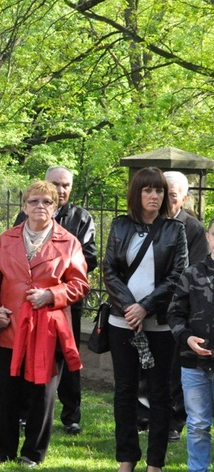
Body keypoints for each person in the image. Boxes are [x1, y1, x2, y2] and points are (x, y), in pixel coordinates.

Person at [0, 180, 89, 467]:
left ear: (55, 208)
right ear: (24, 206)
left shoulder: (68, 242)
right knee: (7, 393)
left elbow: (80, 284)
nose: (39, 206)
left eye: (46, 202)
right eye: (34, 201)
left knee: (42, 394)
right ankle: (5, 450)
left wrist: (51, 294)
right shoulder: (6, 240)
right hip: (11, 328)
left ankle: (32, 453)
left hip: (48, 330)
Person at [102, 167, 187, 472]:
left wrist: (145, 307)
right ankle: (126, 460)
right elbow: (109, 271)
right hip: (121, 322)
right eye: (148, 190)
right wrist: (130, 308)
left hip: (160, 324)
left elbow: (178, 275)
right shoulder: (120, 226)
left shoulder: (174, 231)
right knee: (124, 391)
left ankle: (155, 464)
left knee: (160, 393)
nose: (154, 196)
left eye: (159, 190)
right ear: (136, 193)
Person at [14, 166, 97, 435]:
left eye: (66, 185)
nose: (61, 190)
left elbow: (90, 258)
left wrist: (57, 277)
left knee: (66, 358)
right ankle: (26, 411)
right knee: (29, 353)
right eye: (55, 184)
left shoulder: (81, 218)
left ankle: (71, 415)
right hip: (31, 302)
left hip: (65, 302)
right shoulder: (23, 215)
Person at [164, 170, 208, 441]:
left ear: (184, 197)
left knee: (176, 370)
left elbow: (192, 272)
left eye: (171, 195)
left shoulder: (192, 228)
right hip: (150, 308)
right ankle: (147, 416)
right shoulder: (150, 223)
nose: (164, 199)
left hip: (178, 308)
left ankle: (174, 422)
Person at [168, 216, 214, 472]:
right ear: (208, 237)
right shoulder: (192, 273)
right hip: (194, 363)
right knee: (197, 424)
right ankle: (197, 469)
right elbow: (174, 314)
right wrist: (186, 337)